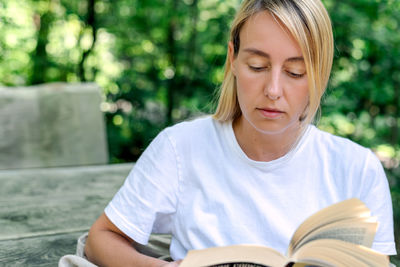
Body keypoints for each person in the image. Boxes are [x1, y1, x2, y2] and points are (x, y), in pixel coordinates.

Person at [84, 0, 396, 266]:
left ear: (320, 72)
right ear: (233, 58)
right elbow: (100, 240)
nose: (273, 90)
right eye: (257, 66)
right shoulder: (181, 148)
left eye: (294, 72)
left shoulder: (357, 169)